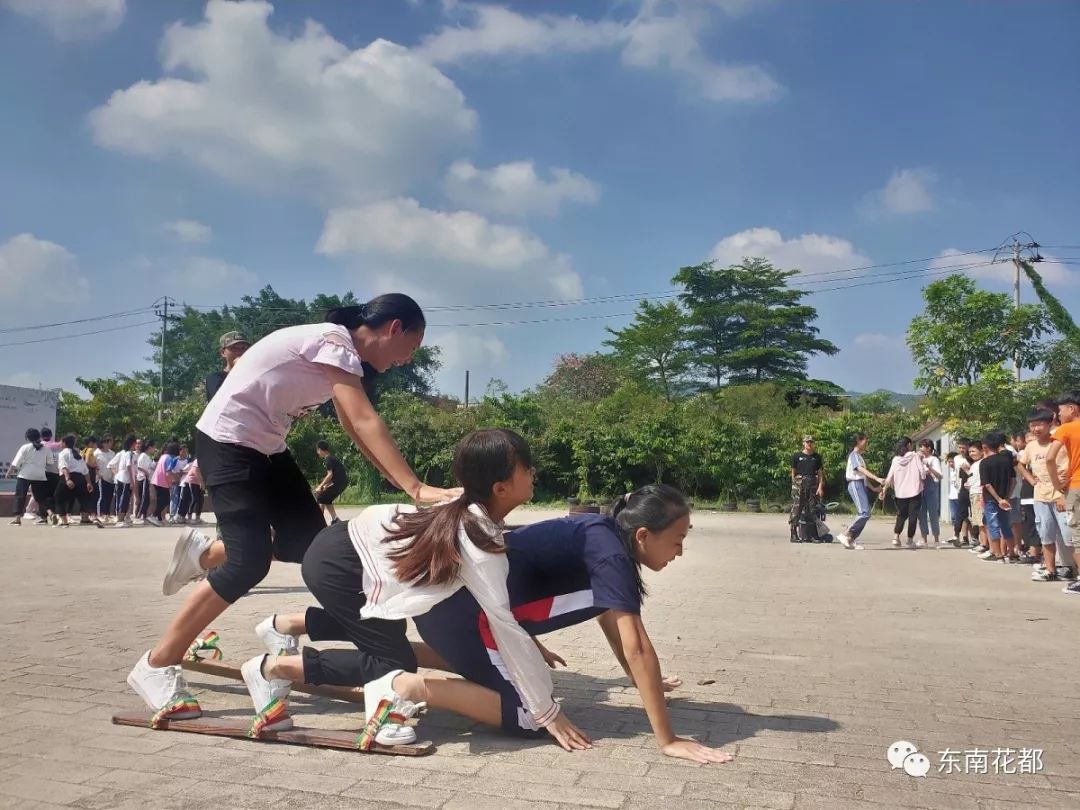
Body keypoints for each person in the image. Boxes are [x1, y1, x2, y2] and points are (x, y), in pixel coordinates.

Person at [132, 295, 461, 723]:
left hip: (267, 447)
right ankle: (157, 664)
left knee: (316, 547)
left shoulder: (343, 360)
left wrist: (399, 482)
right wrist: (416, 489)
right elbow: (363, 421)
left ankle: (207, 555)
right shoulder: (335, 342)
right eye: (411, 348)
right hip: (228, 442)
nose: (406, 360)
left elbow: (352, 424)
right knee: (247, 564)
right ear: (394, 328)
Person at [263, 482, 733, 764]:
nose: (680, 551)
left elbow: (612, 621)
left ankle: (288, 659)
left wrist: (639, 680)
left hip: (460, 614)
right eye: (677, 540)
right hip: (466, 617)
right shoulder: (609, 550)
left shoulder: (603, 539)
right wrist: (667, 739)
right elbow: (636, 644)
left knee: (444, 658)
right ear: (644, 534)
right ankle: (407, 689)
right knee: (532, 715)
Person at [239, 428, 594, 751]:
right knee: (392, 660)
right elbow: (503, 622)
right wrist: (547, 714)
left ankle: (282, 626)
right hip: (341, 564)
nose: (533, 472)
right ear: (500, 488)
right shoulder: (479, 541)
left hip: (344, 548)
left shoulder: (468, 506)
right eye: (526, 467)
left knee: (383, 630)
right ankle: (271, 669)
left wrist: (531, 644)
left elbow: (497, 613)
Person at [1019, 411, 1073, 582]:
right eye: (1032, 425)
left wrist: (1062, 492)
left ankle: (1074, 571)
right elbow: (1021, 464)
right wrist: (1030, 479)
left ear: (1050, 424)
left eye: (1040, 424)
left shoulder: (1059, 442)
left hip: (1062, 495)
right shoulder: (1031, 446)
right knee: (1046, 535)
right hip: (1040, 497)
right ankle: (1050, 571)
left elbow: (1070, 467)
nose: (1036, 428)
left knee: (1069, 537)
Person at [1046, 391, 1080, 595]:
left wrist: (1057, 483)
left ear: (1073, 409)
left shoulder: (1066, 429)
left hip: (1076, 487)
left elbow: (1050, 458)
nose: (1058, 415)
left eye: (1060, 410)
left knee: (1078, 536)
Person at [837, 433, 884, 550]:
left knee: (865, 514)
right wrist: (876, 478)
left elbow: (863, 476)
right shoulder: (854, 455)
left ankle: (850, 539)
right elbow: (860, 469)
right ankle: (846, 533)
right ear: (859, 441)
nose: (866, 443)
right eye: (865, 440)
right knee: (864, 512)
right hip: (855, 484)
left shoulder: (860, 457)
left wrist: (874, 488)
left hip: (861, 484)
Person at [880, 437, 926, 547]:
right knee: (913, 516)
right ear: (909, 445)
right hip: (915, 491)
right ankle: (910, 540)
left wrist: (884, 490)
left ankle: (896, 537)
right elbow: (922, 473)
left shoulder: (895, 460)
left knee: (901, 515)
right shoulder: (915, 456)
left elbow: (889, 476)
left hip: (900, 493)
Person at [979, 432, 1016, 563]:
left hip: (991, 499)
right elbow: (1013, 480)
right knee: (1006, 524)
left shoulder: (984, 463)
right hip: (1005, 498)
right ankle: (1012, 552)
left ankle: (998, 554)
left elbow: (987, 484)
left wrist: (998, 499)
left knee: (993, 525)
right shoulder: (1007, 460)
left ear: (985, 447)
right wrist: (1006, 497)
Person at [7, 429, 51, 526]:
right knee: (41, 497)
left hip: (25, 475)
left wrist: (9, 473)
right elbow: (50, 462)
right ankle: (47, 515)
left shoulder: (25, 447)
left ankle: (17, 519)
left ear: (28, 438)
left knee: (20, 496)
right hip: (40, 475)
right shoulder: (46, 449)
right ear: (39, 436)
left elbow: (16, 462)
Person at [1011, 431, 1041, 565]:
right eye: (1028, 441)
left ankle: (1036, 552)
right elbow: (1019, 467)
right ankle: (1033, 551)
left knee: (1039, 523)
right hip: (1027, 491)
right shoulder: (1023, 454)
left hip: (1040, 491)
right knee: (1029, 522)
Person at [789, 435, 823, 543]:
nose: (809, 444)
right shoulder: (797, 456)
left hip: (812, 483)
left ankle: (811, 535)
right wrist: (794, 484)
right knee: (797, 508)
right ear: (803, 443)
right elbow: (793, 472)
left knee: (811, 509)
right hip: (799, 483)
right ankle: (793, 534)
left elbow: (820, 473)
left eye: (811, 442)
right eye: (807, 442)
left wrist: (820, 487)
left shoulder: (817, 457)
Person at [55, 434, 95, 527]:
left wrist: (68, 479)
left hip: (68, 476)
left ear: (64, 443)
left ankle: (64, 520)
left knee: (59, 497)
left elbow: (64, 467)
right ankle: (85, 518)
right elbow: (85, 470)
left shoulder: (63, 453)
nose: (60, 444)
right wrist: (88, 482)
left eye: (61, 442)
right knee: (83, 497)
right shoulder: (77, 454)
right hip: (80, 478)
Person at [205, 331, 250, 402]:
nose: (240, 352)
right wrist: (238, 370)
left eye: (243, 348)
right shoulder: (215, 378)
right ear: (223, 353)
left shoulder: (253, 375)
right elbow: (220, 399)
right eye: (235, 348)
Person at [915, 439, 944, 547]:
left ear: (929, 448)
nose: (920, 449)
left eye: (922, 447)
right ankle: (924, 539)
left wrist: (929, 467)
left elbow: (940, 476)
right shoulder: (917, 459)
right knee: (921, 514)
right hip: (920, 488)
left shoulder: (934, 459)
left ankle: (936, 539)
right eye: (920, 446)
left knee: (933, 514)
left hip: (931, 487)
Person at [108, 436, 140, 527]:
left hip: (123, 479)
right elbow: (129, 467)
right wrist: (132, 481)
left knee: (125, 499)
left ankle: (121, 518)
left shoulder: (128, 454)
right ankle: (120, 520)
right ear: (132, 443)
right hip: (125, 479)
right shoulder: (128, 454)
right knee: (124, 499)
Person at [314, 440, 348, 524]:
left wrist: (320, 486)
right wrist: (324, 486)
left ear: (320, 449)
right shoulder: (331, 458)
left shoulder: (328, 459)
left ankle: (319, 521)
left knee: (320, 497)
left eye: (317, 450)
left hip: (339, 483)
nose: (318, 453)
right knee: (324, 498)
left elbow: (330, 475)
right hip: (341, 482)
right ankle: (334, 519)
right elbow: (336, 475)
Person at [965, 442, 989, 555]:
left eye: (973, 451)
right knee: (977, 520)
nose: (971, 454)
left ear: (982, 450)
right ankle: (982, 543)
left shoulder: (983, 463)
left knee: (982, 521)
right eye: (969, 452)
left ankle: (986, 544)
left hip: (980, 494)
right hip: (973, 493)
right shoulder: (974, 464)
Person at [149, 442, 180, 526]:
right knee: (165, 500)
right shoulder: (170, 458)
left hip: (156, 480)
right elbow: (167, 472)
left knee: (160, 500)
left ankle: (159, 519)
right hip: (162, 482)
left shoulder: (163, 456)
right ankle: (153, 516)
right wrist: (170, 483)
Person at [40, 427, 61, 525]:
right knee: (53, 495)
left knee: (42, 495)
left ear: (41, 436)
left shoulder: (40, 445)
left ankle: (45, 516)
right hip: (56, 474)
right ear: (51, 435)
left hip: (44, 473)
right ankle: (54, 513)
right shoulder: (57, 445)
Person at [95, 436, 117, 525]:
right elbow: (94, 465)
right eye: (110, 442)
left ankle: (107, 514)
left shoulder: (112, 453)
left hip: (111, 478)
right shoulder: (96, 453)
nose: (112, 444)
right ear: (104, 443)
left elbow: (114, 465)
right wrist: (98, 474)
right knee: (102, 497)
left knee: (109, 497)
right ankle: (100, 515)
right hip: (101, 478)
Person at [135, 439, 157, 523]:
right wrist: (146, 473)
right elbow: (139, 466)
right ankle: (138, 516)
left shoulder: (148, 457)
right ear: (149, 447)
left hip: (147, 480)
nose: (154, 449)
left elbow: (151, 467)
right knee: (144, 498)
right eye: (153, 447)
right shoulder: (143, 455)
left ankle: (144, 516)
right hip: (143, 479)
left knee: (147, 498)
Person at [177, 458, 204, 524]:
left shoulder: (206, 460)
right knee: (195, 499)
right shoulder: (198, 460)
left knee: (201, 500)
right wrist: (201, 483)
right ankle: (189, 517)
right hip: (192, 481)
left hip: (199, 481)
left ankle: (198, 518)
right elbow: (195, 470)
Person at [168, 445, 191, 523]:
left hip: (183, 482)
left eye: (186, 452)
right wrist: (175, 477)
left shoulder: (187, 460)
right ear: (180, 451)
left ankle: (179, 515)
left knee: (182, 498)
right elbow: (169, 470)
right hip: (175, 482)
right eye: (183, 451)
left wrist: (183, 473)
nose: (185, 453)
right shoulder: (175, 460)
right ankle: (171, 515)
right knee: (174, 498)